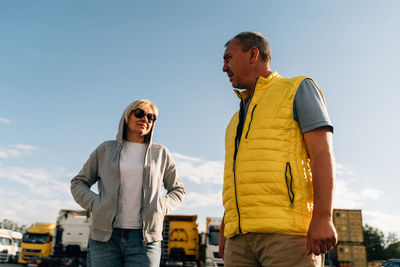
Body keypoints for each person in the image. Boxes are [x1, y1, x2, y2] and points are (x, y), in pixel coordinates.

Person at [219, 31, 337, 267]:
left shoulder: (297, 89)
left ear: (253, 54)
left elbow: (322, 154)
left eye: (228, 58)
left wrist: (323, 217)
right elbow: (238, 177)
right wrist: (226, 228)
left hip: (289, 238)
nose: (224, 68)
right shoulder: (234, 120)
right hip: (239, 242)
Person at [71, 99, 185, 267]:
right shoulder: (105, 149)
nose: (145, 119)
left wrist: (161, 206)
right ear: (126, 116)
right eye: (139, 113)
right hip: (105, 238)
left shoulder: (161, 153)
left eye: (151, 117)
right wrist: (96, 204)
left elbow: (178, 190)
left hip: (146, 241)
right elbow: (78, 183)